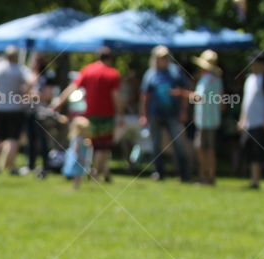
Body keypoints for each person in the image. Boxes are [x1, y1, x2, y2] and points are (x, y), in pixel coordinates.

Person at [52, 46, 123, 182]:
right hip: (107, 114)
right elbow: (116, 96)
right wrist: (120, 113)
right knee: (103, 146)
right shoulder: (112, 73)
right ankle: (95, 173)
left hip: (90, 115)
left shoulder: (87, 70)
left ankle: (102, 173)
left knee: (94, 144)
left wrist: (58, 103)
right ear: (110, 59)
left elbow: (72, 88)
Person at [139, 45, 191, 182]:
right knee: (155, 144)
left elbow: (185, 92)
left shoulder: (175, 72)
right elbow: (145, 96)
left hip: (174, 114)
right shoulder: (150, 74)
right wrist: (144, 115)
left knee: (179, 144)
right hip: (154, 114)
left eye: (165, 57)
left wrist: (183, 111)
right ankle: (159, 172)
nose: (162, 60)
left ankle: (184, 174)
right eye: (160, 58)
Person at [0, 45, 32, 174]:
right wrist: (24, 93)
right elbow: (32, 81)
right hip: (15, 108)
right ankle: (11, 167)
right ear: (16, 56)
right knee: (13, 139)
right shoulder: (20, 69)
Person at [238, 51, 264, 189]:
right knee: (252, 153)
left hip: (261, 122)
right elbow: (246, 102)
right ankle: (255, 181)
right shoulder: (250, 79)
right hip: (250, 123)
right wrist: (242, 119)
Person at [189, 50, 224, 185]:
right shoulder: (217, 80)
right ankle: (209, 176)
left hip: (205, 121)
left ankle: (206, 177)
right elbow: (221, 103)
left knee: (204, 150)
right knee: (208, 149)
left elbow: (199, 97)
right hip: (212, 120)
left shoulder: (206, 79)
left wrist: (184, 94)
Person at [62, 116, 93, 190]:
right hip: (78, 158)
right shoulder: (78, 139)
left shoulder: (80, 138)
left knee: (78, 173)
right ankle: (75, 187)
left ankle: (76, 186)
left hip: (78, 157)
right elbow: (76, 149)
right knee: (77, 173)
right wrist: (81, 157)